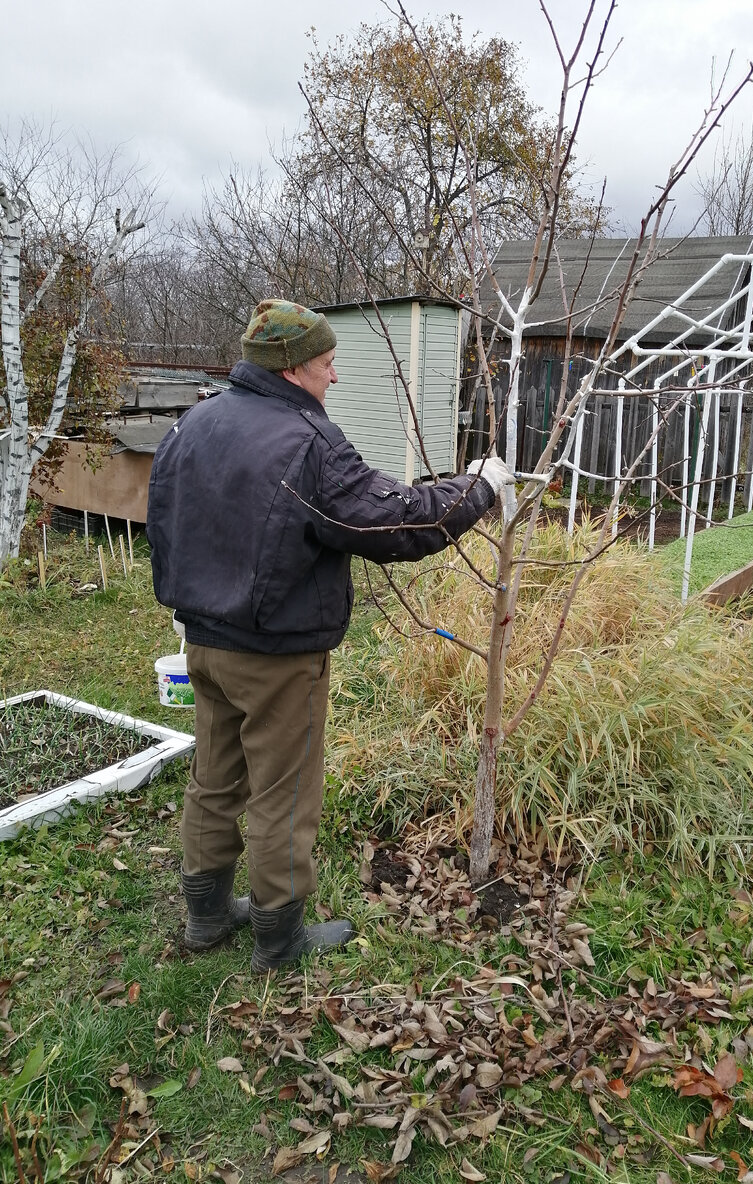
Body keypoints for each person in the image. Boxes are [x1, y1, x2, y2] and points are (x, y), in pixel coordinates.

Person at [145, 298, 513, 972]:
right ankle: (279, 942)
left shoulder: (191, 424)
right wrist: (481, 488)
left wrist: (183, 599)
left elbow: (163, 519)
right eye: (326, 364)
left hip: (205, 640)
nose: (334, 377)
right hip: (279, 652)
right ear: (291, 369)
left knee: (214, 777)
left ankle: (204, 918)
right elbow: (393, 523)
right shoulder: (307, 443)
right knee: (283, 794)